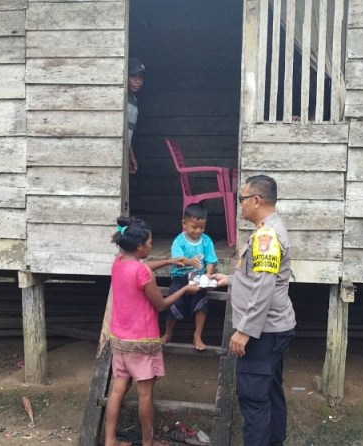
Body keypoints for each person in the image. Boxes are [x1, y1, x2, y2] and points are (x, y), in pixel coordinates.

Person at [211, 175, 296, 446]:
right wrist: (230, 279)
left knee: (254, 399)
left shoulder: (266, 236)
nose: (240, 205)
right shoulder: (268, 229)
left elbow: (264, 285)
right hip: (274, 328)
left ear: (256, 200)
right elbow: (257, 276)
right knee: (269, 392)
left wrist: (245, 331)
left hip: (263, 333)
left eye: (242, 199)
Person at [105, 216, 198, 446]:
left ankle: (110, 440)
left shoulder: (118, 262)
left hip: (119, 338)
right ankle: (148, 442)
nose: (151, 246)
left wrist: (169, 261)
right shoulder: (142, 273)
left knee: (117, 390)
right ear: (139, 246)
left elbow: (141, 267)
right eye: (149, 243)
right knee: (145, 394)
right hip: (142, 341)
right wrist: (185, 289)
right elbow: (161, 305)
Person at [161, 203, 219, 351]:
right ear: (184, 223)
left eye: (202, 227)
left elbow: (210, 260)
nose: (198, 231)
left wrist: (208, 273)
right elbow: (177, 260)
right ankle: (168, 332)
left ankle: (197, 336)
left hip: (198, 278)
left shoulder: (206, 241)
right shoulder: (179, 241)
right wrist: (189, 261)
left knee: (202, 304)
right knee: (173, 302)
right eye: (194, 227)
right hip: (180, 277)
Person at [126, 57, 145, 174]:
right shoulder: (121, 98)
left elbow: (127, 134)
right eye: (133, 76)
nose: (138, 81)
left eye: (140, 78)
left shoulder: (133, 100)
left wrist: (130, 155)